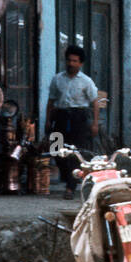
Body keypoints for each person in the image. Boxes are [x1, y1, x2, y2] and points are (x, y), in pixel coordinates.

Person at [46, 45, 99, 199]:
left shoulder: (86, 81)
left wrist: (95, 123)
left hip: (79, 118)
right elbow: (51, 101)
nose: (71, 64)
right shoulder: (57, 79)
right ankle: (68, 176)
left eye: (75, 61)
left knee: (76, 153)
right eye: (69, 60)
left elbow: (95, 102)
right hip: (61, 116)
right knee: (56, 149)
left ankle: (70, 187)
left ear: (80, 63)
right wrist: (48, 120)